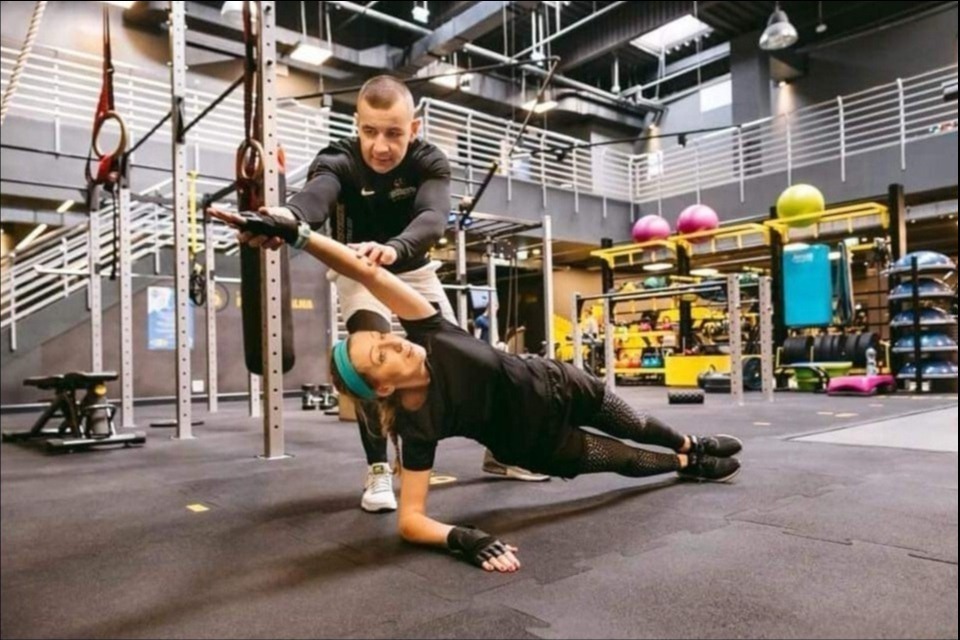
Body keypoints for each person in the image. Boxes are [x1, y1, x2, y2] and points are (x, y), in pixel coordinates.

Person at [211, 208, 744, 574]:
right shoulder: (417, 425)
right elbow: (411, 521)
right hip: (538, 445)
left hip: (560, 383)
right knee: (626, 461)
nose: (395, 343)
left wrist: (297, 234)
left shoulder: (428, 331)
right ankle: (686, 466)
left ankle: (690, 444)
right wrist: (463, 538)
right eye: (382, 355)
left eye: (385, 337)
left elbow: (366, 274)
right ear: (382, 386)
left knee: (641, 425)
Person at [222, 75, 547, 514]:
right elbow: (315, 198)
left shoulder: (429, 160)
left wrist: (395, 248)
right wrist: (287, 216)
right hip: (358, 270)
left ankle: (501, 451)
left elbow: (432, 217)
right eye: (370, 131)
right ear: (357, 125)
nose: (380, 146)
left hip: (412, 269)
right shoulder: (338, 159)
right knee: (369, 356)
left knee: (472, 364)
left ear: (413, 128)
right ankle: (378, 468)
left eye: (393, 133)